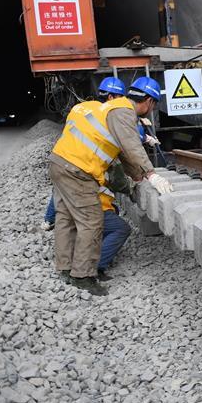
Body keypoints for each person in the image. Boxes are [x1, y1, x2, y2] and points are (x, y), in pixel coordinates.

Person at [48, 76, 173, 296]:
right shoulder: (124, 111)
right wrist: (151, 174)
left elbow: (123, 153)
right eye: (153, 105)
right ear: (149, 102)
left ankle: (66, 269)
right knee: (91, 222)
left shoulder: (111, 107)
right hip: (79, 170)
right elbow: (132, 146)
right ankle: (83, 276)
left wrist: (137, 177)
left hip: (60, 162)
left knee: (65, 219)